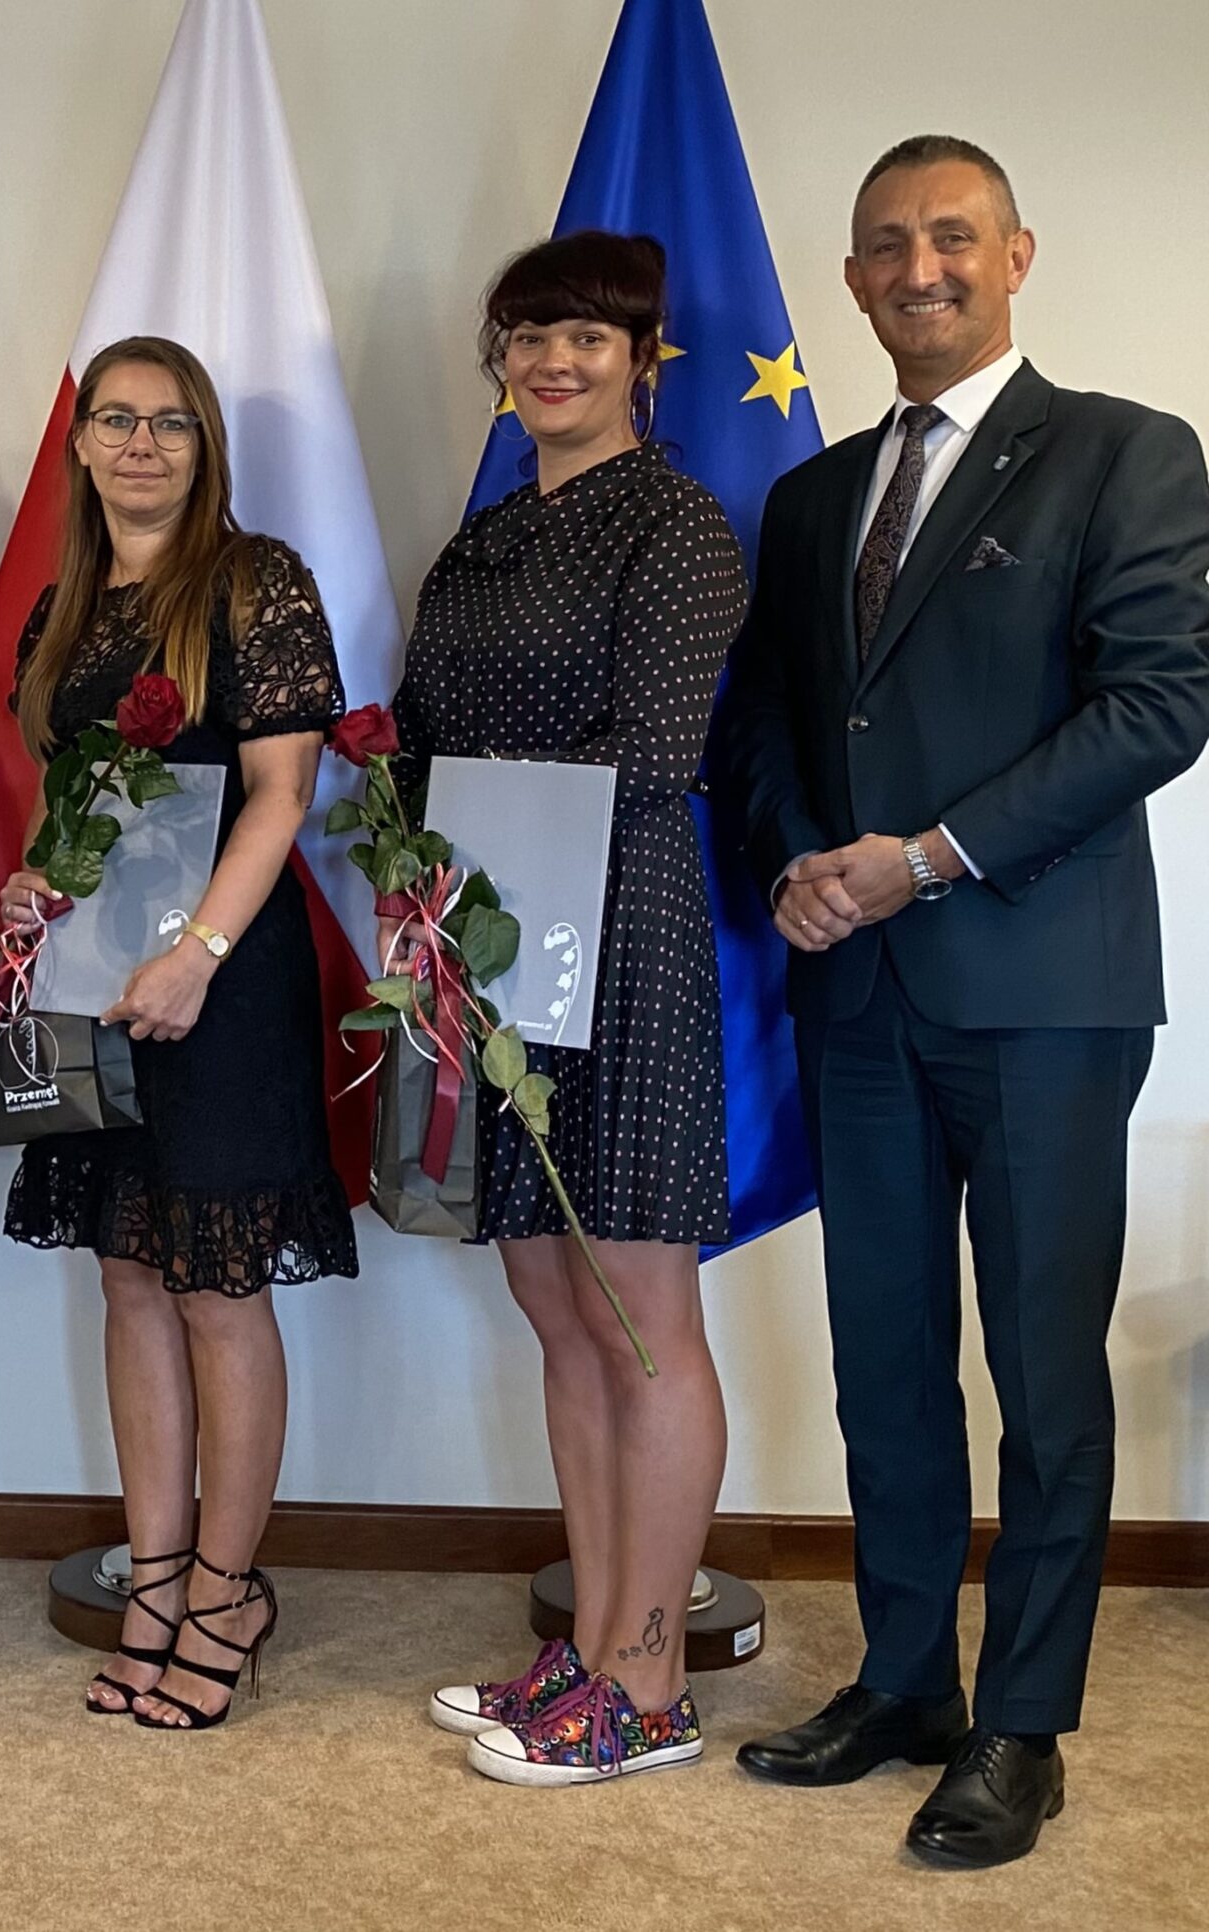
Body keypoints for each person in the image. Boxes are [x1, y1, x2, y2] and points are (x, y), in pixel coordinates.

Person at [713, 137, 1209, 1866]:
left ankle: (1023, 1724)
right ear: (851, 281)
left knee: (1044, 1371)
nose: (917, 268)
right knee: (885, 1362)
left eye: (951, 238)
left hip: (1043, 993)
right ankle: (909, 1677)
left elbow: (1156, 708)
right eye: (884, 246)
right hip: (856, 996)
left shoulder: (1125, 456)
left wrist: (916, 859)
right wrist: (801, 859)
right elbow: (773, 722)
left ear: (1016, 255)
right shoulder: (807, 498)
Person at [395, 233, 746, 1785]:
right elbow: (410, 739)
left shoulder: (677, 527)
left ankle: (649, 1680)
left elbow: (654, 747)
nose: (555, 360)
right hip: (487, 949)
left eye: (589, 338)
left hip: (624, 939)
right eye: (530, 335)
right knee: (556, 1307)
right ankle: (594, 1635)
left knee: (644, 1319)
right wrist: (415, 872)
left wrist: (470, 840)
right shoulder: (477, 543)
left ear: (643, 361)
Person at [0, 336, 353, 1732]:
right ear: (82, 443)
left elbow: (281, 794)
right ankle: (150, 1574)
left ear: (206, 447)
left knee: (214, 1286)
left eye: (172, 423)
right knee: (128, 1277)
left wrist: (197, 954)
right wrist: (32, 881)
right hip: (93, 976)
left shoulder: (259, 584)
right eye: (116, 420)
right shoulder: (61, 610)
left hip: (223, 979)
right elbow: (65, 807)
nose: (141, 444)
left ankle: (226, 1590)